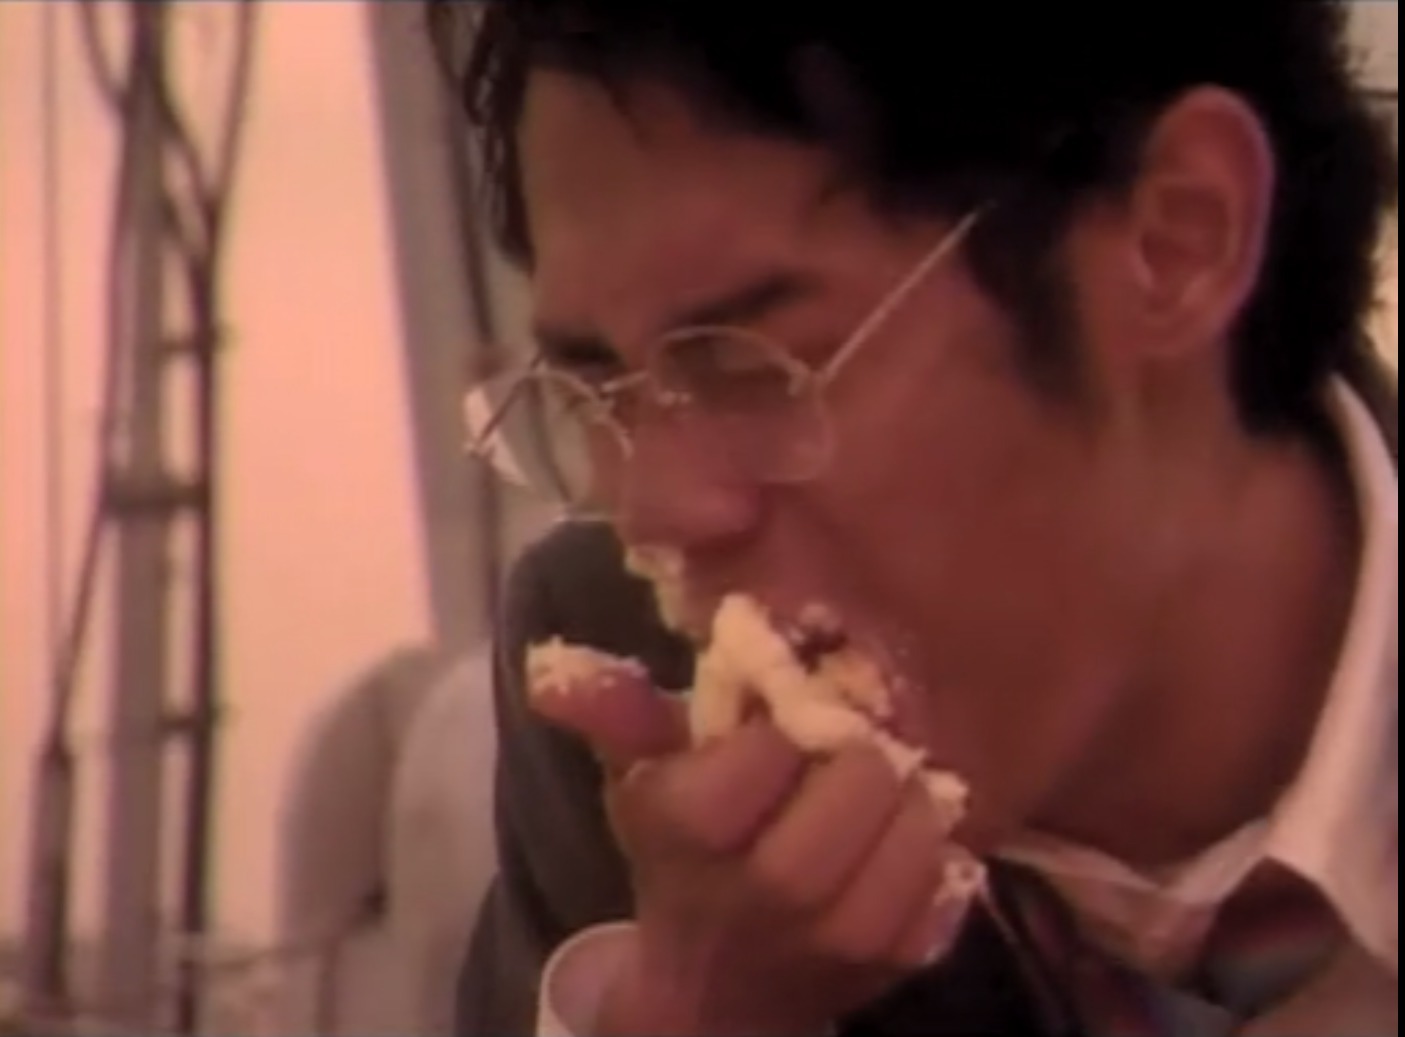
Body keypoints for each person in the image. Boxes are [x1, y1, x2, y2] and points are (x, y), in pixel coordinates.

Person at [428, 4, 1399, 1034]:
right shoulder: (619, 697)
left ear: (1176, 240)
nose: (655, 517)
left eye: (746, 364)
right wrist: (689, 1012)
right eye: (598, 392)